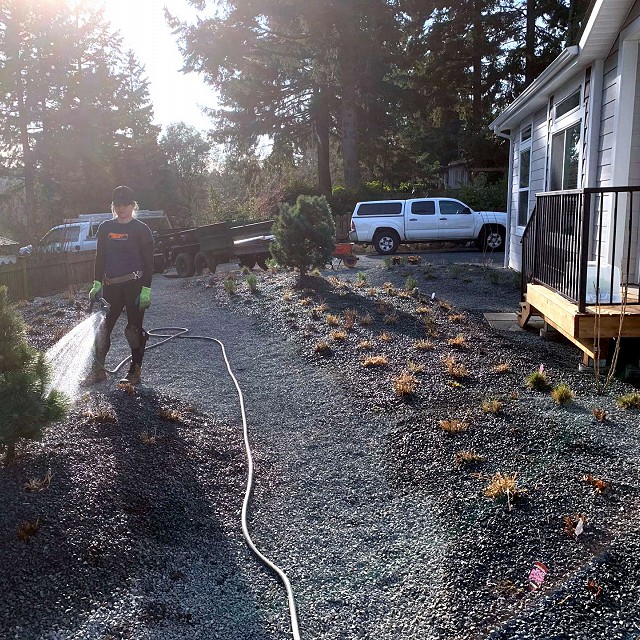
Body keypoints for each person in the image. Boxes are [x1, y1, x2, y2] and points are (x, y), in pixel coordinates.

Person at [81, 185, 154, 386]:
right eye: (118, 205)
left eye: (126, 205)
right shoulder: (106, 228)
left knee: (133, 330)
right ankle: (97, 372)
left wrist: (146, 290)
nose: (122, 208)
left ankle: (134, 373)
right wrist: (96, 283)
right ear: (113, 206)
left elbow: (149, 263)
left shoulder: (141, 230)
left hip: (134, 286)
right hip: (111, 287)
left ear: (133, 205)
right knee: (102, 331)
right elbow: (100, 257)